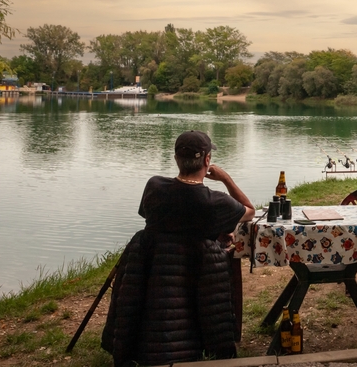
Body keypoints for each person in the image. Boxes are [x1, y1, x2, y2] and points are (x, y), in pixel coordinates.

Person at [102, 131, 255, 366]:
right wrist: (226, 179)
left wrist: (208, 229)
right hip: (195, 270)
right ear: (207, 160)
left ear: (175, 158)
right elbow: (249, 211)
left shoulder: (154, 185)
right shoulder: (215, 201)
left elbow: (154, 218)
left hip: (151, 265)